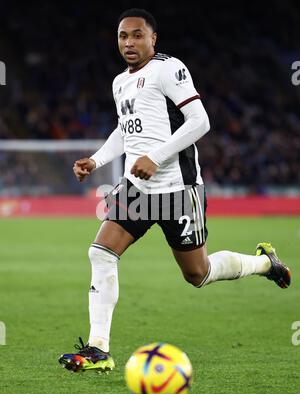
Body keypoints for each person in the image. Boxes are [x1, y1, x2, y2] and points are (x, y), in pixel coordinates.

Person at [58, 8, 291, 373]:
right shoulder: (120, 82)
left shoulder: (169, 69)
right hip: (136, 189)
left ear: (153, 39)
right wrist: (98, 160)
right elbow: (126, 129)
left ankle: (264, 263)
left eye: (137, 35)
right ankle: (97, 348)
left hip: (179, 190)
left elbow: (201, 120)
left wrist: (156, 156)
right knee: (101, 253)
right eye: (123, 36)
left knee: (197, 274)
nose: (129, 42)